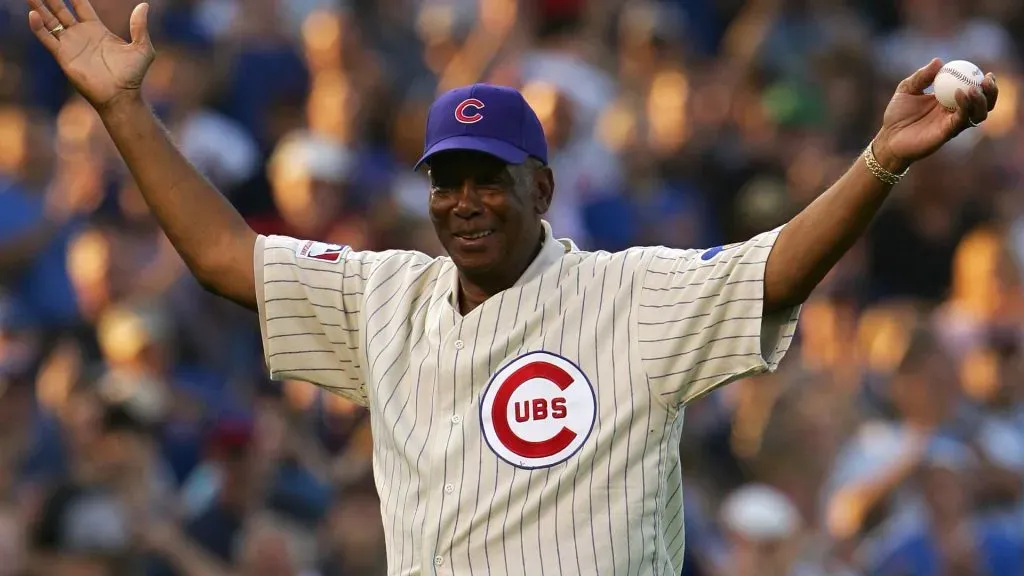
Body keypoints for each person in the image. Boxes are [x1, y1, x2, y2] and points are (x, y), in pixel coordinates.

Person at [24, 0, 998, 574]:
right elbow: (224, 259)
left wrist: (878, 162)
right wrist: (124, 111)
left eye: (489, 177)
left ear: (541, 186)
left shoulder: (630, 297)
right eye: (447, 179)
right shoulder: (384, 298)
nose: (466, 200)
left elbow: (775, 265)